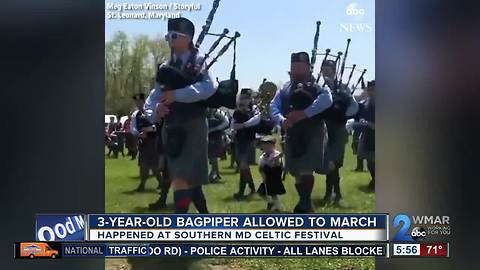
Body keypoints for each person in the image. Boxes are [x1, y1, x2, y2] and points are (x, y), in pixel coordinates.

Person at [144, 17, 216, 213]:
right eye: (168, 36)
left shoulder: (199, 61)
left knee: (181, 178)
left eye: (174, 36)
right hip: (171, 127)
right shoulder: (165, 67)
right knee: (186, 179)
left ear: (189, 38)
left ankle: (179, 230)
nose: (170, 40)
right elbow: (154, 97)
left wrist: (177, 95)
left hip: (193, 125)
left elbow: (209, 87)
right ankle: (205, 218)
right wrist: (155, 111)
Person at [270, 52, 333, 213]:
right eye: (294, 67)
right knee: (296, 170)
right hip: (292, 130)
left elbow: (327, 100)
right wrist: (282, 120)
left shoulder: (318, 86)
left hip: (313, 130)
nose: (297, 70)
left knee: (306, 168)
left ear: (308, 68)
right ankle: (305, 203)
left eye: (300, 67)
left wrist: (304, 113)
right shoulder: (285, 88)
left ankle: (304, 205)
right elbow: (274, 106)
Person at [320, 59, 359, 204]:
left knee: (333, 162)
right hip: (323, 128)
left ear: (334, 71)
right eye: (324, 70)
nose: (326, 73)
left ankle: (333, 193)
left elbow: (353, 106)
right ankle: (333, 193)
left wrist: (342, 115)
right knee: (328, 162)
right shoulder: (319, 87)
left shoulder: (343, 88)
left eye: (328, 70)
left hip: (338, 128)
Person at [130, 93, 163, 192]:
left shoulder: (151, 111)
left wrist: (147, 130)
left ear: (144, 101)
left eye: (139, 101)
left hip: (153, 140)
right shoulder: (137, 114)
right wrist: (138, 134)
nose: (138, 103)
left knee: (154, 165)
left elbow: (157, 125)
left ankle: (161, 182)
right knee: (143, 164)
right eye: (136, 102)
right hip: (143, 141)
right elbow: (134, 128)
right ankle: (142, 185)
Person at [232, 88, 261, 199]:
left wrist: (244, 125)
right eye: (242, 98)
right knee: (243, 167)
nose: (244, 100)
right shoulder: (237, 111)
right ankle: (249, 189)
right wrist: (245, 124)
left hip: (249, 140)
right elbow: (234, 126)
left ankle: (245, 191)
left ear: (250, 99)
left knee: (244, 166)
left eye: (247, 98)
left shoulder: (254, 110)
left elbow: (256, 121)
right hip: (239, 140)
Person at [352, 80, 375, 190]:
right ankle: (375, 180)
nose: (371, 92)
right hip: (368, 134)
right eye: (369, 89)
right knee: (369, 160)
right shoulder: (367, 103)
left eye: (373, 89)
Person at [258, 135, 285, 211]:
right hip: (266, 177)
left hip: (274, 177)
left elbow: (278, 165)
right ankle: (271, 203)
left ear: (273, 146)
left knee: (273, 194)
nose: (267, 148)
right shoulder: (262, 156)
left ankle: (278, 206)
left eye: (269, 146)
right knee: (262, 193)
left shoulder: (276, 155)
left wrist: (274, 161)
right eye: (264, 146)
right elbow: (261, 167)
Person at [207, 108, 229, 183]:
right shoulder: (205, 113)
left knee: (213, 157)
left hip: (215, 137)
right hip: (209, 137)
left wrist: (214, 129)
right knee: (212, 157)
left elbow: (226, 122)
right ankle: (216, 174)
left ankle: (211, 175)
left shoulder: (218, 114)